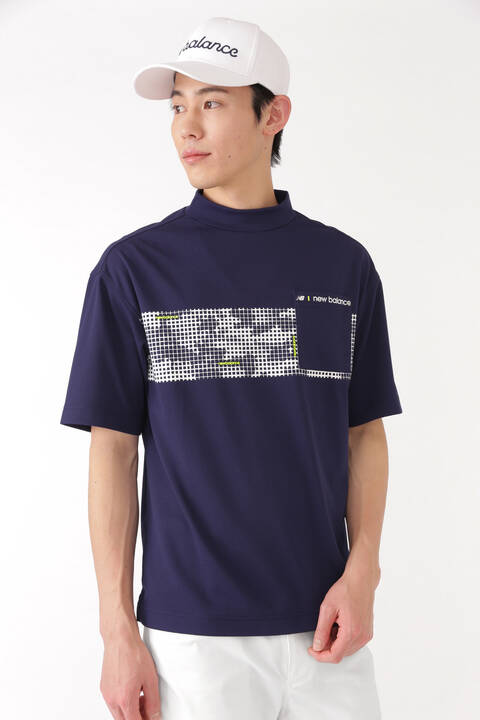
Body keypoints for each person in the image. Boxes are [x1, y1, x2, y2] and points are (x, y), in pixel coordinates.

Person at [60, 15, 402, 720]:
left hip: (329, 631)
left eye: (212, 103)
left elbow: (364, 431)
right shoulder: (134, 271)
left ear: (273, 115)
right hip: (193, 642)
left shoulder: (342, 266)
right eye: (177, 106)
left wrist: (364, 571)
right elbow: (113, 451)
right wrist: (117, 631)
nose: (187, 127)